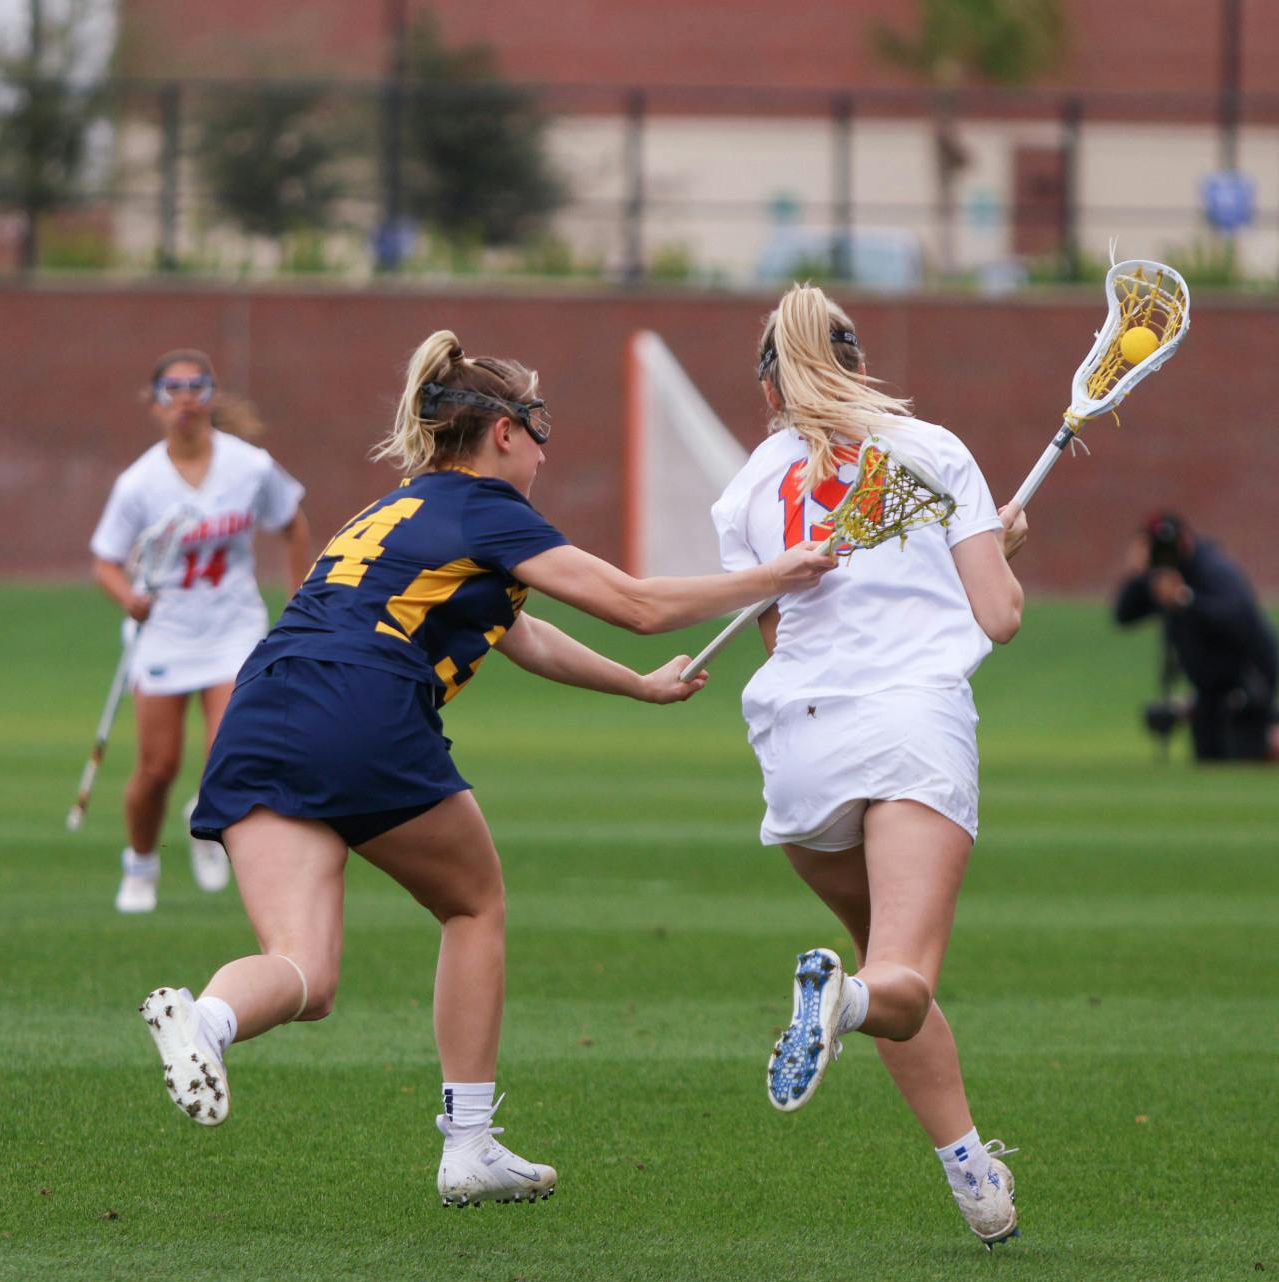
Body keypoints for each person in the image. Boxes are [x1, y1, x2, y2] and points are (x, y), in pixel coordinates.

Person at [137, 330, 836, 1209]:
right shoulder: (486, 507)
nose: (545, 444)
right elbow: (636, 602)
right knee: (475, 903)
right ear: (501, 432)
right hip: (360, 704)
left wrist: (636, 689)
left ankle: (206, 1019)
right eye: (536, 425)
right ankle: (467, 1141)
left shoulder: (395, 511)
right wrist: (776, 574)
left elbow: (520, 633)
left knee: (305, 974)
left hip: (260, 708)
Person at [709, 284, 1031, 1249]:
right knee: (889, 982)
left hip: (799, 746)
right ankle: (836, 997)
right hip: (909, 730)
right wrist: (1002, 547)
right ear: (856, 361)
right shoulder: (935, 448)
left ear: (768, 386)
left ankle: (973, 1173)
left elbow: (779, 635)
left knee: (892, 970)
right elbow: (1000, 615)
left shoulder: (744, 490)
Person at [89, 350, 314, 913]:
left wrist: (297, 602)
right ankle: (140, 863)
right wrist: (129, 599)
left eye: (196, 386)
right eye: (172, 389)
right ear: (156, 403)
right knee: (156, 767)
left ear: (211, 395)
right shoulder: (139, 483)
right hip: (166, 634)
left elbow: (292, 524)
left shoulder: (250, 466)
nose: (185, 398)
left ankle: (203, 814)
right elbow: (104, 561)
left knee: (230, 754)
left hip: (233, 627)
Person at [1112, 511, 1279, 766]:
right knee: (1209, 759)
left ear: (1186, 541)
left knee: (1241, 757)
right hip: (1209, 686)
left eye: (1170, 547)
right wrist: (1138, 576)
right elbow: (1123, 616)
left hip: (1249, 673)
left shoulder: (1213, 569)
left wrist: (1185, 599)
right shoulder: (1158, 579)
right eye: (1158, 548)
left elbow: (1236, 617)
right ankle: (1278, 722)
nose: (1166, 555)